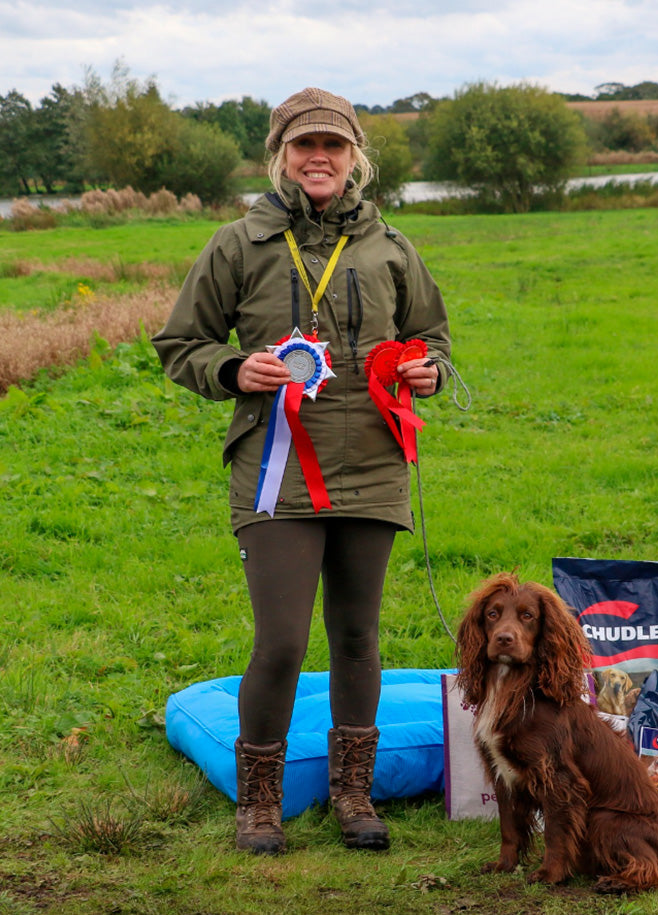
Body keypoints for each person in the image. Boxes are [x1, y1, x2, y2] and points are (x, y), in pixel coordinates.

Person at [152, 87, 450, 855]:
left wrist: (428, 372)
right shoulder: (236, 244)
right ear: (280, 156)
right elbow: (179, 343)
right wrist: (231, 369)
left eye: (334, 147)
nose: (319, 159)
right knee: (281, 641)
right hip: (273, 473)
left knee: (357, 636)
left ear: (355, 158)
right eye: (303, 146)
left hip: (373, 467)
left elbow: (430, 337)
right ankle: (258, 803)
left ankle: (353, 795)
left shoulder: (391, 247)